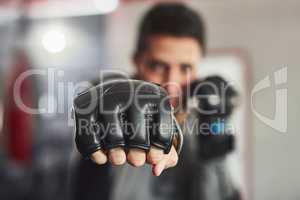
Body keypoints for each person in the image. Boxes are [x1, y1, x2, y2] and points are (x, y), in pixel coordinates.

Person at [73, 2, 241, 200]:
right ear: (137, 61)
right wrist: (102, 113)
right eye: (158, 67)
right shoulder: (117, 115)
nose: (172, 84)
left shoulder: (203, 121)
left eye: (185, 68)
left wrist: (217, 140)